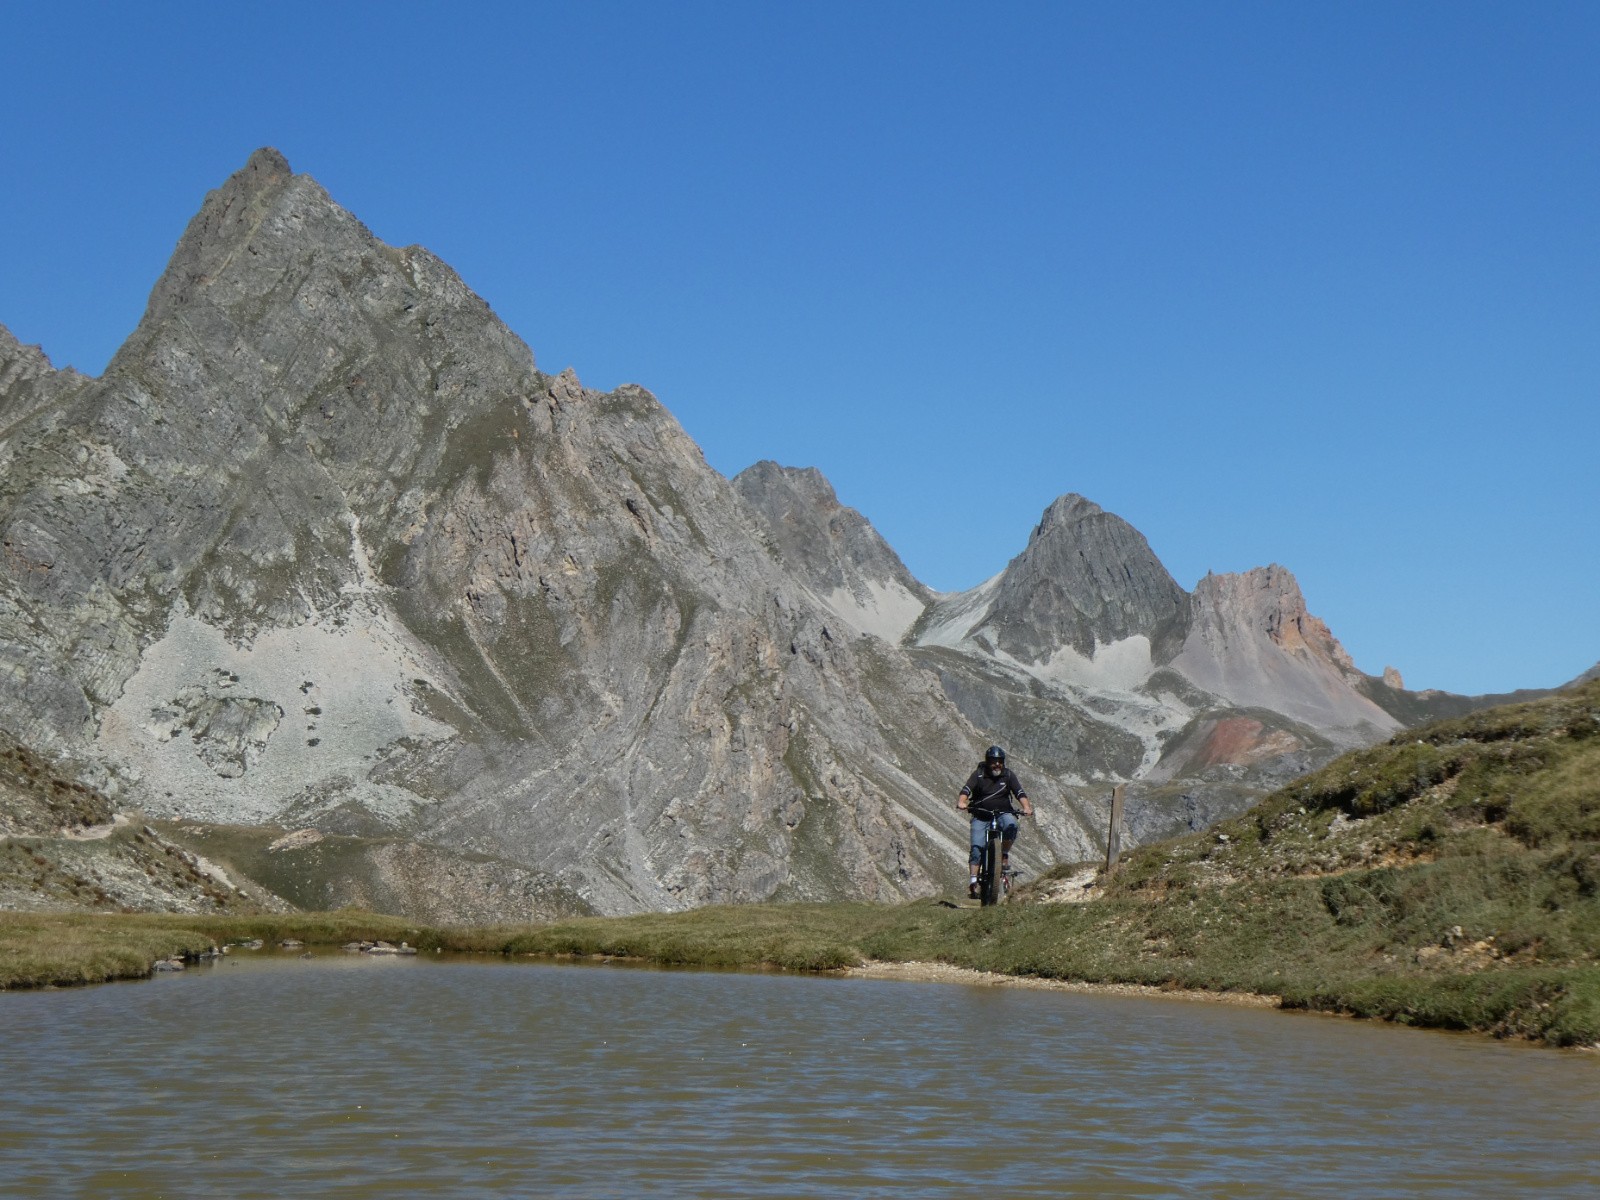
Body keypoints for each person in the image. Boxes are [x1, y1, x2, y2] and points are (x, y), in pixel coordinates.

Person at [956, 745, 1032, 898]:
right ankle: (973, 882)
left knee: (1011, 824)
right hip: (981, 815)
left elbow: (1019, 792)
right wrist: (962, 802)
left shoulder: (1008, 775)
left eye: (1000, 762)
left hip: (1003, 812)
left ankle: (1003, 854)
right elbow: (966, 790)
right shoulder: (978, 775)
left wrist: (1026, 806)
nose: (997, 765)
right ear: (988, 762)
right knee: (977, 847)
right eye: (993, 762)